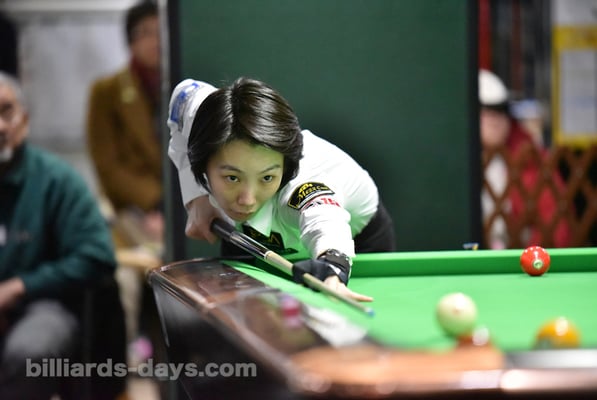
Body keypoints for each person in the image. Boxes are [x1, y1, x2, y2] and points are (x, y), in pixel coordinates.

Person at [167, 77, 396, 301]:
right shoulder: (206, 116)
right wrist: (196, 196)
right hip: (250, 232)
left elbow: (325, 221)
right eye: (232, 178)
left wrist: (333, 269)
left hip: (359, 238)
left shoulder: (302, 188)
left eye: (267, 177)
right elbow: (183, 93)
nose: (247, 200)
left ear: (285, 168)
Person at [0, 72, 126, 398]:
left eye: (6, 111)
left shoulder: (57, 181)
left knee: (31, 351)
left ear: (24, 120)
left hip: (41, 306)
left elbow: (97, 256)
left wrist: (19, 287)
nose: (0, 126)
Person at [85, 0, 162, 366]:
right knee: (128, 276)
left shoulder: (183, 84)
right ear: (130, 41)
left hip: (180, 208)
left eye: (159, 31)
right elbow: (108, 167)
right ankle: (130, 354)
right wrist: (154, 203)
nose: (154, 41)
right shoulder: (107, 91)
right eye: (144, 33)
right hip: (130, 209)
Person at [479, 69, 571, 249]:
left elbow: (555, 222)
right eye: (486, 111)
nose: (495, 120)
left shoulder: (528, 156)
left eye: (502, 110)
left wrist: (527, 258)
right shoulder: (453, 161)